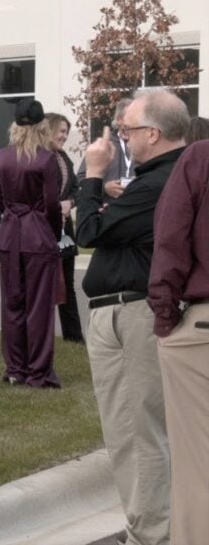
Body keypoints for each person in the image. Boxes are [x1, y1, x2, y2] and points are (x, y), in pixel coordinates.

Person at [76, 88, 190, 545]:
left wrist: (92, 174)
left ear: (154, 133)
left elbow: (89, 231)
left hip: (131, 312)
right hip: (141, 309)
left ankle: (150, 533)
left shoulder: (160, 182)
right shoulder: (174, 177)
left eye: (127, 131)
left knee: (133, 430)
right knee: (151, 428)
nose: (122, 138)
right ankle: (162, 525)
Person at [148, 140, 209, 544]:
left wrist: (165, 315)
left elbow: (171, 235)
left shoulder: (201, 157)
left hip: (201, 333)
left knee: (197, 469)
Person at [0, 98, 61, 388]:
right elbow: (53, 203)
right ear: (42, 125)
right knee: (39, 307)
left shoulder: (1, 157)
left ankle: (15, 368)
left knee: (12, 303)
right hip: (37, 235)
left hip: (10, 234)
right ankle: (37, 371)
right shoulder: (46, 158)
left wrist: (11, 217)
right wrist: (53, 234)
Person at [46, 112, 84, 342]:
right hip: (42, 230)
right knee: (42, 286)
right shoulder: (36, 157)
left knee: (67, 284)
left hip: (64, 232)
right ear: (48, 130)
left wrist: (69, 203)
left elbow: (76, 188)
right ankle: (42, 337)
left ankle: (74, 337)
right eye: (60, 131)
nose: (64, 136)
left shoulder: (64, 158)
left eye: (66, 132)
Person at [77, 97, 133, 199]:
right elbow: (81, 178)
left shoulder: (143, 144)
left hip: (135, 206)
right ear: (119, 119)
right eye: (131, 116)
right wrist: (103, 188)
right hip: (107, 208)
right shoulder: (104, 145)